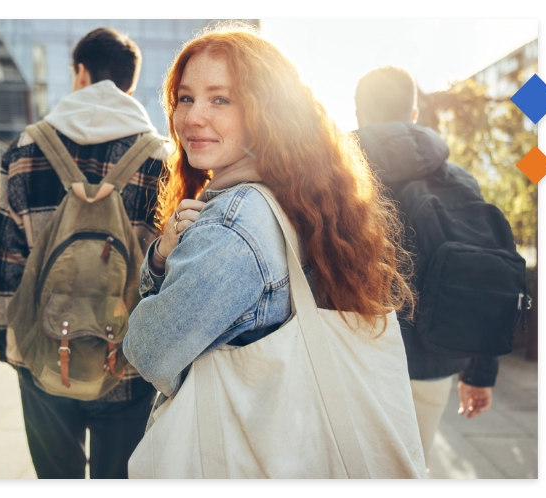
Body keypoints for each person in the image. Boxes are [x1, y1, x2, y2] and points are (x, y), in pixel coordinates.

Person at [123, 23, 424, 477]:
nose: (192, 117)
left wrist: (158, 264)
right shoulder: (297, 195)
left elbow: (148, 351)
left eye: (220, 99)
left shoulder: (234, 222)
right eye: (185, 98)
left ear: (267, 111)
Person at [0, 27, 166, 479]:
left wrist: (5, 340)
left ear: (80, 73)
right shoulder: (159, 157)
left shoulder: (26, 148)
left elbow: (3, 257)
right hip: (126, 360)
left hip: (45, 351)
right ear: (128, 82)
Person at [353, 66, 500, 465]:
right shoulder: (460, 179)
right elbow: (485, 274)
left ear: (359, 115)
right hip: (436, 357)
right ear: (413, 115)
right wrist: (479, 370)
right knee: (413, 465)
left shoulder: (335, 177)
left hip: (353, 357)